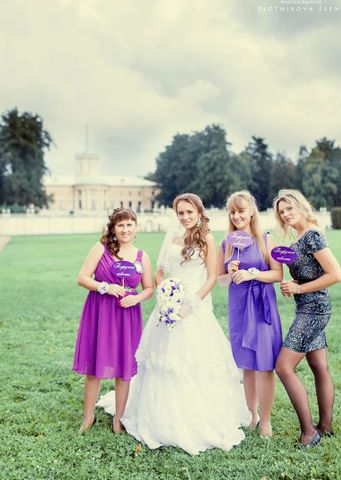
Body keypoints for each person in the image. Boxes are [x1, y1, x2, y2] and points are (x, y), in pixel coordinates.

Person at [97, 193, 250, 455]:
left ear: (199, 213)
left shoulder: (208, 239)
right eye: (180, 213)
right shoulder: (172, 237)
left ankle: (196, 414)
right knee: (162, 360)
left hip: (194, 306)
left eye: (189, 212)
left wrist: (189, 304)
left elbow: (212, 277)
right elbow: (160, 272)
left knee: (192, 361)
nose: (185, 217)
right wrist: (164, 292)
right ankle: (158, 413)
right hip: (168, 305)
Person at [72, 208, 153, 434]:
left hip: (127, 315)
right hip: (100, 311)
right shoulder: (101, 248)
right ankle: (88, 417)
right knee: (94, 366)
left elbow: (149, 288)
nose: (125, 229)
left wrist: (136, 298)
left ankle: (119, 418)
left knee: (124, 367)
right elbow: (82, 278)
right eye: (121, 225)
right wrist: (106, 287)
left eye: (129, 225)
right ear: (113, 228)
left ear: (136, 227)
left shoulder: (142, 256)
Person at [273, 189, 341, 446]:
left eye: (289, 208)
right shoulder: (302, 236)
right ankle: (325, 426)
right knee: (318, 367)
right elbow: (313, 272)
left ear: (302, 206)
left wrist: (299, 288)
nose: (286, 214)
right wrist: (296, 281)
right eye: (282, 212)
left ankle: (309, 433)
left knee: (283, 366)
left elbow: (335, 274)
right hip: (309, 307)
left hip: (314, 309)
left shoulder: (311, 235)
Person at [217, 190, 283, 438]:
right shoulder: (227, 243)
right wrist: (230, 271)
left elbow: (277, 275)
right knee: (247, 365)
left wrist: (253, 273)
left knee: (265, 364)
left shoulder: (267, 240)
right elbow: (220, 279)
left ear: (252, 211)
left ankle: (265, 419)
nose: (236, 216)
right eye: (232, 212)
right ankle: (251, 413)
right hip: (239, 307)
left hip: (262, 307)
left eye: (241, 211)